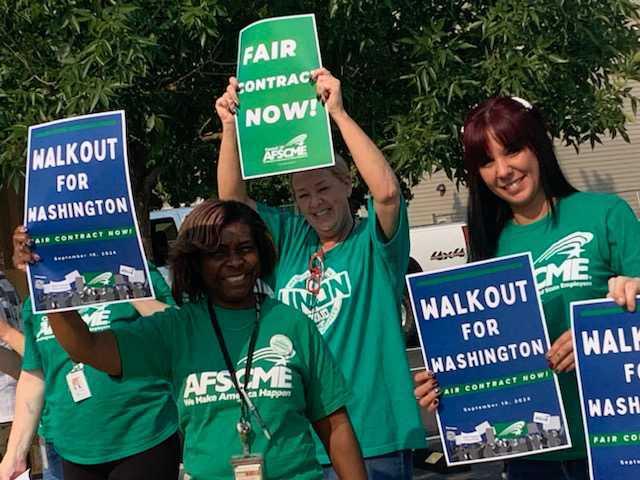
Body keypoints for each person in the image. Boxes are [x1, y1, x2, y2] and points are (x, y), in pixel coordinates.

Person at [42, 200, 366, 480]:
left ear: (262, 253)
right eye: (217, 253)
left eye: (245, 249)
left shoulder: (294, 325)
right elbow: (86, 348)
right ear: (196, 262)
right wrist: (48, 277)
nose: (235, 262)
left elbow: (335, 426)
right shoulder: (176, 329)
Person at [414, 96, 640, 480]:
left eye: (513, 150)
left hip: (617, 444)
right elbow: (479, 354)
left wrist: (601, 327)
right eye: (486, 161)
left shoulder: (605, 215)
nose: (503, 170)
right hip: (530, 459)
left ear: (538, 145)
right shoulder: (488, 251)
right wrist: (444, 385)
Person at [215, 68, 425, 479]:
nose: (315, 203)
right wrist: (230, 130)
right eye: (302, 194)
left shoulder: (372, 244)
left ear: (347, 184)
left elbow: (386, 194)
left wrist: (339, 114)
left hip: (373, 438)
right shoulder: (292, 239)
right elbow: (232, 203)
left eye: (323, 188)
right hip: (300, 444)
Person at [1, 226, 180, 480]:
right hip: (72, 450)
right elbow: (34, 375)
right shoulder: (40, 295)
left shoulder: (133, 269)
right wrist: (14, 454)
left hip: (143, 437)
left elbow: (176, 332)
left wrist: (125, 278)